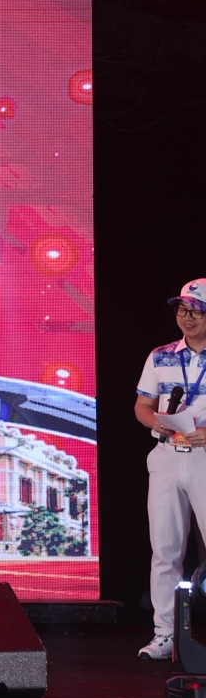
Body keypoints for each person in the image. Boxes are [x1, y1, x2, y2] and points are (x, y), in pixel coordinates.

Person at [133, 278, 206, 660]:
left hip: (204, 456)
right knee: (165, 549)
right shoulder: (161, 355)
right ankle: (164, 634)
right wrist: (155, 423)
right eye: (182, 309)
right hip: (166, 454)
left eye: (196, 311)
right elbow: (142, 405)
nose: (186, 317)